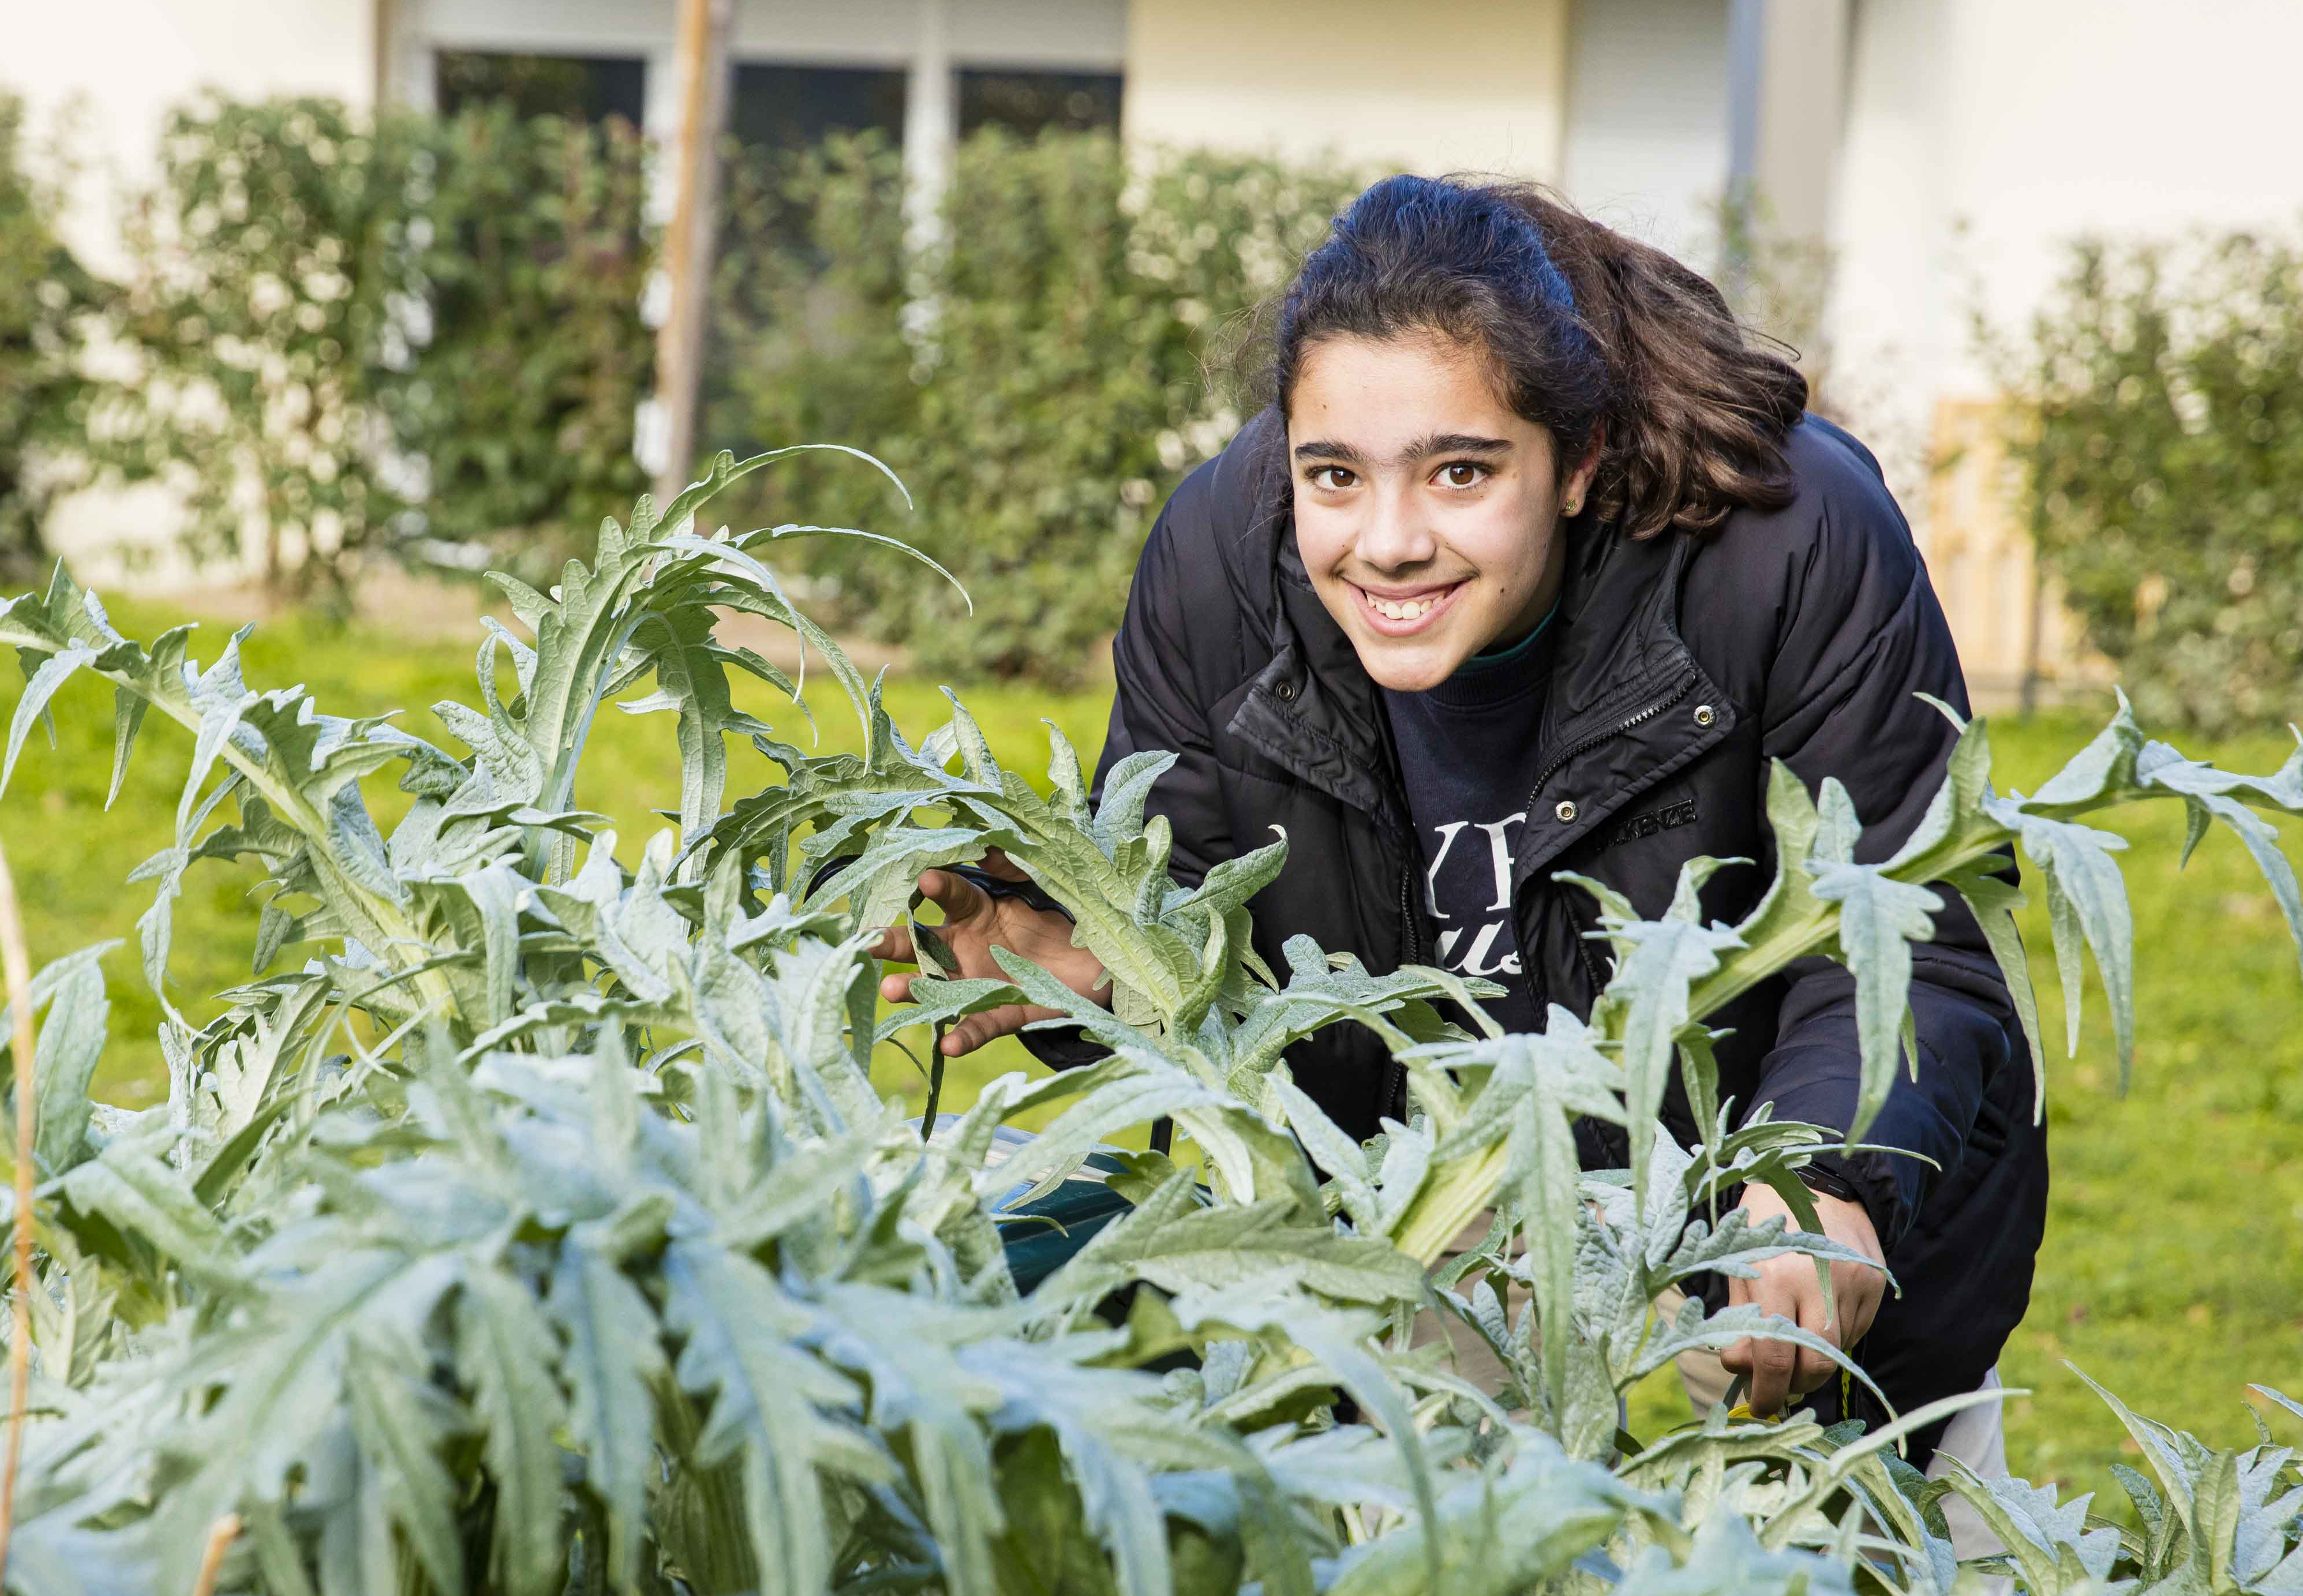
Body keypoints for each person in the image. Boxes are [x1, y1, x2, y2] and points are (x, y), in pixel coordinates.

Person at [873, 173, 2044, 1460]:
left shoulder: (1781, 540)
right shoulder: (1218, 565)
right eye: (1333, 475)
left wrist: (1827, 1174)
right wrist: (1089, 972)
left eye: (1459, 472)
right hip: (1431, 1197)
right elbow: (1207, 950)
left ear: (1578, 459)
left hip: (1755, 1150)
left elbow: (1903, 929)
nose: (1386, 541)